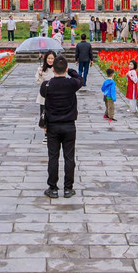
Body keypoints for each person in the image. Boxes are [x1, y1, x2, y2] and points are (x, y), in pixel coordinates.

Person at [39, 56, 83, 198]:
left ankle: (52, 188)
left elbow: (42, 94)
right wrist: (71, 71)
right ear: (66, 69)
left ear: (53, 69)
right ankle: (68, 188)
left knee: (53, 157)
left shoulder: (46, 85)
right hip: (69, 125)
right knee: (69, 157)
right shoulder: (72, 84)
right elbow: (80, 79)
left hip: (52, 126)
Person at [35, 50, 58, 134]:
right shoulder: (41, 69)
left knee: (54, 115)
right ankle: (46, 133)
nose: (50, 60)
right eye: (49, 58)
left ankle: (53, 132)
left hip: (55, 96)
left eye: (52, 58)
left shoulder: (57, 69)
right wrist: (40, 75)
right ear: (45, 59)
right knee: (44, 115)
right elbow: (38, 83)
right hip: (44, 96)